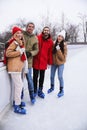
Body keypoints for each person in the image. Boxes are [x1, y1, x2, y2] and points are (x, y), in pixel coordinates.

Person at [6, 26, 27, 114]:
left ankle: (16, 101)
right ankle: (16, 106)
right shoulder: (14, 42)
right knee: (19, 86)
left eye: (20, 32)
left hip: (18, 68)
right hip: (14, 68)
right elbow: (8, 53)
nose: (19, 34)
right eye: (17, 33)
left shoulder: (20, 43)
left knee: (19, 86)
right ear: (14, 35)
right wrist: (19, 52)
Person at [33, 26, 53, 98]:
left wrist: (50, 62)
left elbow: (50, 53)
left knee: (42, 77)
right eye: (45, 30)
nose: (46, 31)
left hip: (44, 62)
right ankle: (34, 90)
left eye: (47, 30)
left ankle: (40, 90)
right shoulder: (37, 38)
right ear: (43, 31)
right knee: (35, 77)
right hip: (36, 61)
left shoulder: (50, 41)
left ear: (49, 32)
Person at [47, 30, 67, 97]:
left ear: (63, 38)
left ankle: (61, 90)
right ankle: (52, 87)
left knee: (60, 76)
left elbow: (63, 58)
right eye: (59, 36)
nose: (59, 38)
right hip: (54, 63)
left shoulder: (64, 46)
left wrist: (58, 50)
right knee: (51, 76)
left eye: (61, 37)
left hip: (61, 63)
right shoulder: (54, 44)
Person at [23, 22, 39, 104]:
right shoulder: (21, 34)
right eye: (29, 26)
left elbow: (36, 50)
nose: (30, 28)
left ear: (33, 28)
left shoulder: (35, 38)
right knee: (20, 80)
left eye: (32, 27)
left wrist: (31, 53)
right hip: (19, 61)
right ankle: (20, 97)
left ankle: (32, 96)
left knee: (29, 80)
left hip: (28, 62)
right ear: (26, 27)